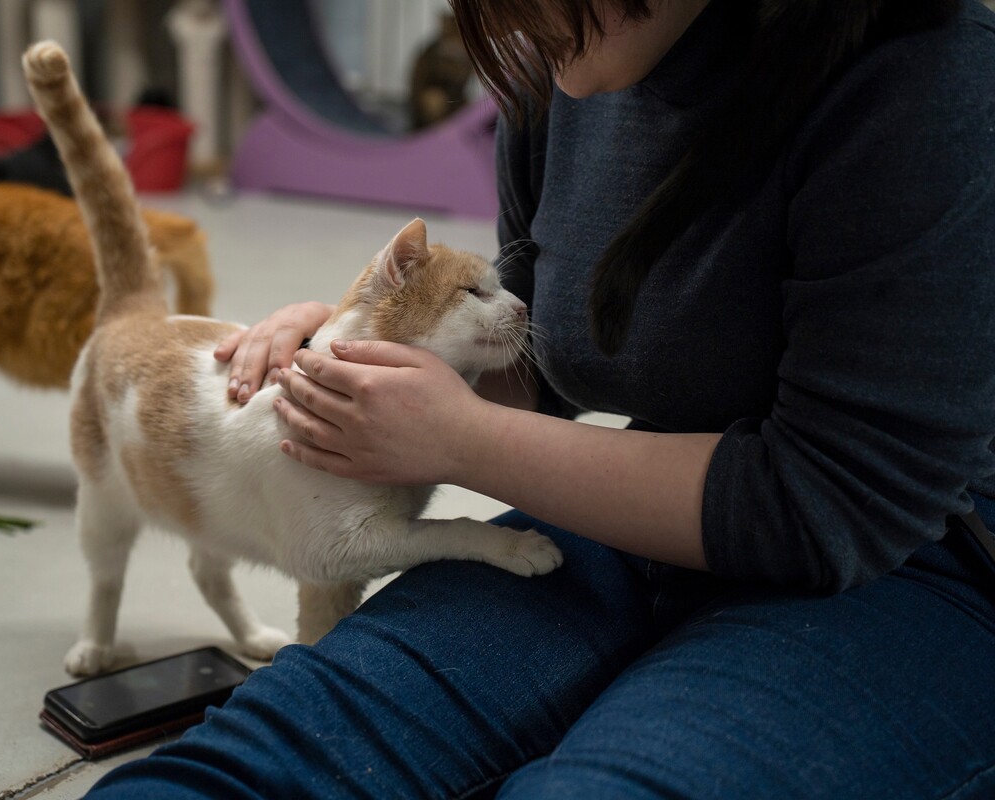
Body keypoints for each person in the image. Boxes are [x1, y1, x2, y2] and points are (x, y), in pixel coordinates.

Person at [85, 0, 995, 796]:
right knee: (260, 756)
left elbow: (835, 501)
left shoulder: (926, 84)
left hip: (917, 554)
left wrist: (464, 443)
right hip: (653, 508)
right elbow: (543, 357)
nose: (494, 21)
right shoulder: (562, 58)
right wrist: (367, 352)